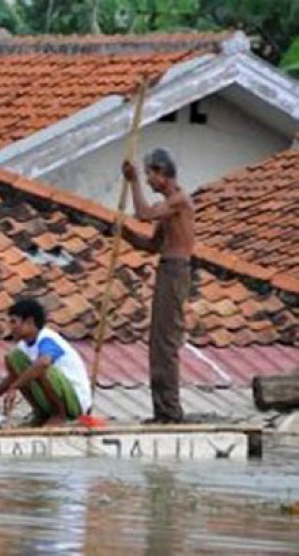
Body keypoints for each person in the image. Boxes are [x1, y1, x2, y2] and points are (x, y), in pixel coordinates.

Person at [122, 148, 195, 424]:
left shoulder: (178, 200)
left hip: (176, 272)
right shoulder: (169, 207)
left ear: (163, 173)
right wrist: (125, 234)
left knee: (165, 344)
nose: (149, 180)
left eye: (150, 174)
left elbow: (142, 214)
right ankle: (162, 411)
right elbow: (152, 245)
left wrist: (132, 182)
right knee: (157, 345)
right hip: (168, 269)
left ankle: (170, 413)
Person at [0, 298, 92, 427]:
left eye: (14, 322)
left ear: (29, 322)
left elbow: (44, 363)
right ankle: (41, 413)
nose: (10, 327)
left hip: (74, 401)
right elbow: (13, 378)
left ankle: (59, 415)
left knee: (40, 367)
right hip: (54, 396)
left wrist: (15, 386)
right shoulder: (23, 347)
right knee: (13, 358)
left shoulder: (47, 339)